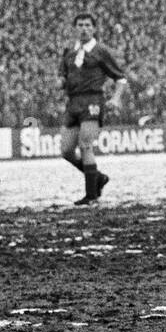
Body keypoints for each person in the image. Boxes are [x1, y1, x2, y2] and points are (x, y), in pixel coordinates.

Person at [59, 12, 131, 205]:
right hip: (73, 103)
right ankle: (98, 177)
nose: (84, 28)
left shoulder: (101, 51)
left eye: (88, 25)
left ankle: (91, 195)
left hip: (92, 101)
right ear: (74, 28)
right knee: (66, 150)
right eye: (80, 25)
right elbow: (64, 76)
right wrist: (60, 83)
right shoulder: (69, 50)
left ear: (94, 29)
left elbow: (121, 78)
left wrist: (115, 98)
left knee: (85, 145)